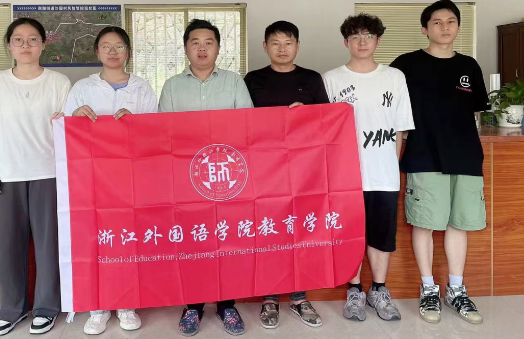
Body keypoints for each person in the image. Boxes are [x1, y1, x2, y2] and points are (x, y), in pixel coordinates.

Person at [390, 0, 488, 325]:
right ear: (424, 28)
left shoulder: (469, 66)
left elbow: (475, 112)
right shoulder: (406, 64)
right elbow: (389, 108)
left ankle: (456, 289)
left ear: (458, 26)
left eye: (451, 21)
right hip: (424, 154)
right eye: (437, 22)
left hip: (466, 155)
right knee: (425, 223)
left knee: (460, 223)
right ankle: (428, 288)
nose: (444, 27)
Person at [0, 18, 71, 336]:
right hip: (6, 174)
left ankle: (46, 309)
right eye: (18, 40)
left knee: (48, 245)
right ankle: (11, 310)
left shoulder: (59, 83)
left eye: (32, 39)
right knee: (7, 247)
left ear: (43, 44)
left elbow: (69, 130)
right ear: (10, 46)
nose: (25, 45)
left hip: (48, 174)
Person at [58, 26, 157, 335]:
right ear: (97, 52)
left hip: (131, 179)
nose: (113, 52)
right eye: (106, 46)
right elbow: (63, 130)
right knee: (96, 240)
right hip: (92, 180)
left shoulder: (142, 88)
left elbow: (156, 132)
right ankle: (97, 306)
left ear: (128, 51)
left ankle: (127, 303)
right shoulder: (82, 88)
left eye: (119, 46)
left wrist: (137, 124)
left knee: (127, 240)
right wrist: (75, 116)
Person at [159, 19, 253, 336]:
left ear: (218, 48)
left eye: (208, 42)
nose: (202, 48)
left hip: (227, 177)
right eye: (195, 42)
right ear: (186, 48)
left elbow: (247, 126)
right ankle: (193, 307)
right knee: (194, 241)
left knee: (227, 241)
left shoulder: (234, 82)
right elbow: (164, 134)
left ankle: (227, 305)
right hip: (187, 178)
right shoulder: (172, 86)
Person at [323, 13, 414, 323]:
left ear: (378, 40)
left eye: (368, 36)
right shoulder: (330, 79)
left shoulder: (395, 77)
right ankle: (354, 291)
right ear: (346, 42)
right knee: (349, 234)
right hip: (344, 176)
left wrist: (391, 165)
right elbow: (323, 130)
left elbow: (400, 129)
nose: (362, 42)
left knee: (381, 236)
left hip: (383, 174)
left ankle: (379, 290)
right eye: (355, 36)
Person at [243, 20, 327, 329]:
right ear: (265, 47)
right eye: (275, 43)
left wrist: (307, 115)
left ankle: (299, 296)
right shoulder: (252, 80)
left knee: (299, 231)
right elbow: (241, 122)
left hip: (303, 171)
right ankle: (269, 298)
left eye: (288, 43)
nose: (282, 48)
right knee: (268, 231)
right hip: (263, 169)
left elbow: (327, 121)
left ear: (297, 47)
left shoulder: (312, 79)